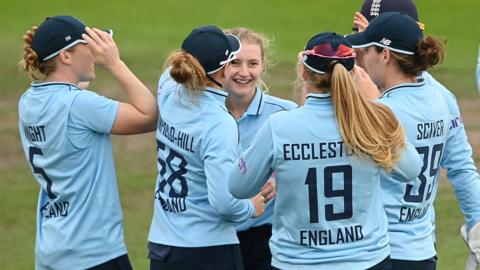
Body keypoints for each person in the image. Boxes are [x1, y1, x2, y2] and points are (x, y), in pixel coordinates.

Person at [229, 31, 422, 270]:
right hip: (365, 260)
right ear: (354, 73)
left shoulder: (280, 126)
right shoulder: (373, 120)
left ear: (303, 72)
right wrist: (376, 106)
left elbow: (238, 187)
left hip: (299, 263)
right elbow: (411, 169)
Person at [18, 16, 158, 270]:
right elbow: (149, 115)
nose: (95, 52)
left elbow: (69, 87)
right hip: (94, 253)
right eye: (88, 45)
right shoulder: (79, 105)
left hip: (52, 251)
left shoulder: (29, 100)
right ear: (66, 57)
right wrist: (115, 64)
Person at [351, 1, 480, 268]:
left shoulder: (379, 107)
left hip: (377, 251)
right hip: (419, 248)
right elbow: (462, 167)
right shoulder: (437, 96)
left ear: (385, 52)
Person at [147, 25, 266, 270]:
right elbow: (223, 202)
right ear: (223, 70)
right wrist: (249, 208)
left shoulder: (169, 89)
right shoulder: (218, 123)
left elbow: (172, 71)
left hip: (161, 247)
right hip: (208, 251)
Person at [222, 27, 297, 270]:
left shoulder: (285, 113)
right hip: (215, 236)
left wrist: (279, 178)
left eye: (253, 63)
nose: (244, 72)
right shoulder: (205, 112)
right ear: (222, 64)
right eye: (235, 63)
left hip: (265, 239)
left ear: (263, 65)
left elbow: (307, 162)